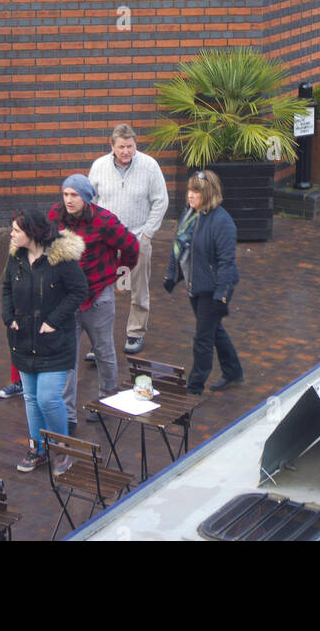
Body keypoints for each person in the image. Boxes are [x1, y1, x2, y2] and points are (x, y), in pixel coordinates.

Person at [49, 174, 139, 427]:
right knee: (67, 356)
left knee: (103, 352)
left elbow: (131, 245)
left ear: (86, 197)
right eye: (65, 194)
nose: (68, 199)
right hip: (67, 300)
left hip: (97, 296)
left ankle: (106, 404)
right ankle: (67, 415)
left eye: (74, 195)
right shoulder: (55, 215)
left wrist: (117, 271)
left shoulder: (105, 221)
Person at [1, 208, 87, 473]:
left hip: (55, 342)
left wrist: (53, 321)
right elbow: (6, 288)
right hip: (24, 339)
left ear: (32, 233)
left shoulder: (61, 260)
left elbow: (79, 291)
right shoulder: (15, 258)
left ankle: (61, 450)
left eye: (16, 230)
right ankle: (36, 449)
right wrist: (8, 317)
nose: (12, 234)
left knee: (48, 398)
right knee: (31, 398)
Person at [88, 124, 168, 357]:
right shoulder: (99, 166)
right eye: (121, 147)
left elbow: (160, 201)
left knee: (138, 288)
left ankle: (135, 333)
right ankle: (99, 342)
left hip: (136, 236)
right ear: (111, 146)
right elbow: (90, 201)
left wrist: (147, 234)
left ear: (136, 144)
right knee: (100, 289)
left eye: (130, 146)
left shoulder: (150, 166)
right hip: (105, 240)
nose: (126, 151)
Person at [163, 170, 242, 396]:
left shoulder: (223, 222)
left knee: (203, 337)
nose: (190, 195)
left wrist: (221, 296)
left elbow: (226, 263)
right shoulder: (189, 213)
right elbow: (178, 245)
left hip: (213, 288)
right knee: (213, 330)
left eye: (196, 191)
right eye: (190, 190)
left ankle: (194, 387)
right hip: (194, 284)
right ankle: (234, 371)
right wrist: (171, 275)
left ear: (208, 194)